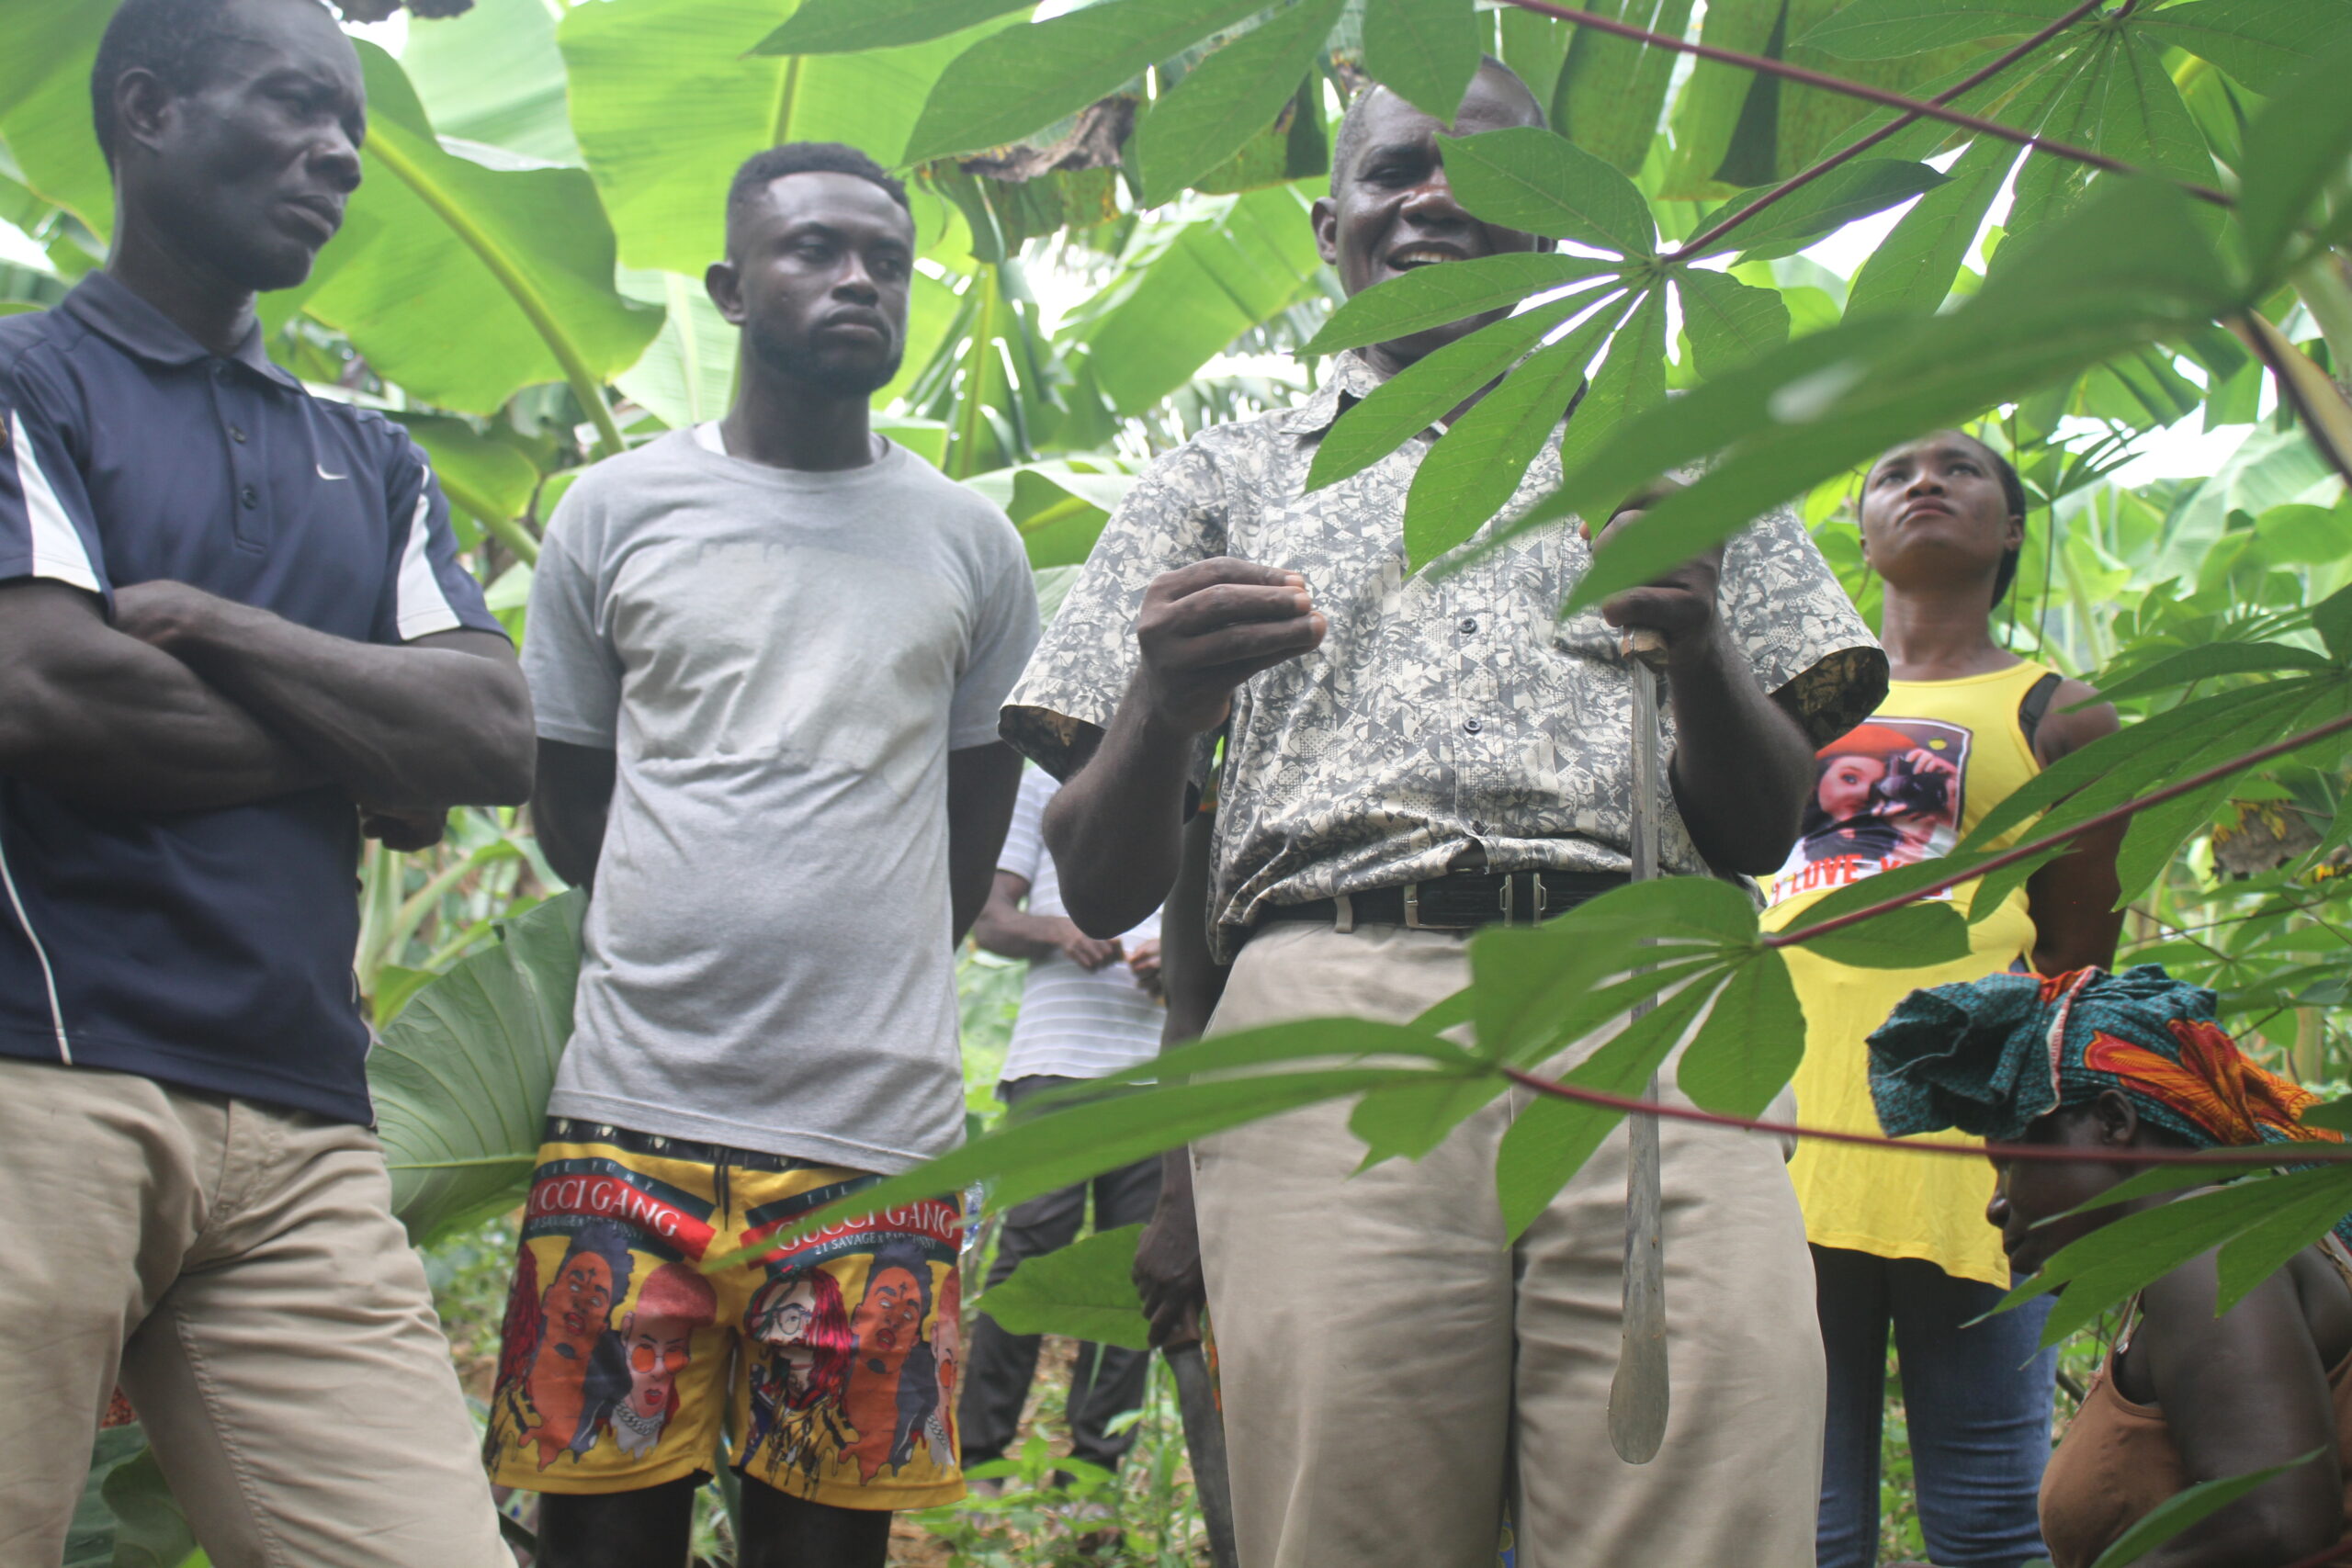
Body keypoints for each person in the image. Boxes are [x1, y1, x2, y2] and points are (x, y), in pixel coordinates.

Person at [1003, 58, 1888, 1568]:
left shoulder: (1676, 455)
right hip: (1330, 1002)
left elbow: (1762, 830)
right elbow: (1096, 883)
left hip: (1649, 992)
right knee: (1352, 1522)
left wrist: (1698, 650)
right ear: (1330, 230)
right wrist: (1160, 701)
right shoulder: (1222, 477)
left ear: (1554, 230)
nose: (1432, 199)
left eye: (1478, 173)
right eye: (1392, 169)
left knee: (1703, 1497)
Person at [0, 0, 532, 1561]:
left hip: (305, 1132)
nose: (340, 155)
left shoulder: (373, 463)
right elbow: (49, 688)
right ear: (148, 111)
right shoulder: (28, 381)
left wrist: (206, 625)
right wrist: (355, 744)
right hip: (46, 1079)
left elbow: (491, 734)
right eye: (296, 105)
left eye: (353, 126)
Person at [483, 141, 1036, 1568]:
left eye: (887, 260)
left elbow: (968, 838)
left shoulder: (972, 544)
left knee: (826, 1551)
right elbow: (573, 806)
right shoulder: (614, 510)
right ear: (730, 289)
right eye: (815, 251)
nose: (860, 280)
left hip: (873, 1140)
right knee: (601, 1543)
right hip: (629, 1119)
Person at [1760, 431, 2125, 1568]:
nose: (1923, 482)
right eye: (1892, 474)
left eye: (1959, 470)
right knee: (1805, 1518)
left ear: (2010, 529)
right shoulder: (1783, 703)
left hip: (1969, 1140)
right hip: (1777, 1121)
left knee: (1988, 1512)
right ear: (1859, 530)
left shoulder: (2059, 714)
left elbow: (2076, 944)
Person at [1870, 964, 2352, 1568]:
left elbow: (2274, 1523)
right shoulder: (2201, 1255)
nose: (1996, 1205)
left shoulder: (2207, 1252)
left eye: (2011, 1162)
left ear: (2114, 1121)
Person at [960, 763, 1168, 1483]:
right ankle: (980, 1457)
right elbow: (989, 918)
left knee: (1136, 1271)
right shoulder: (1046, 776)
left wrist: (1179, 958)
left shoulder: (1201, 780)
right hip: (1055, 1061)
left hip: (1159, 1070)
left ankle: (1092, 1473)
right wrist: (1061, 929)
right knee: (1028, 1249)